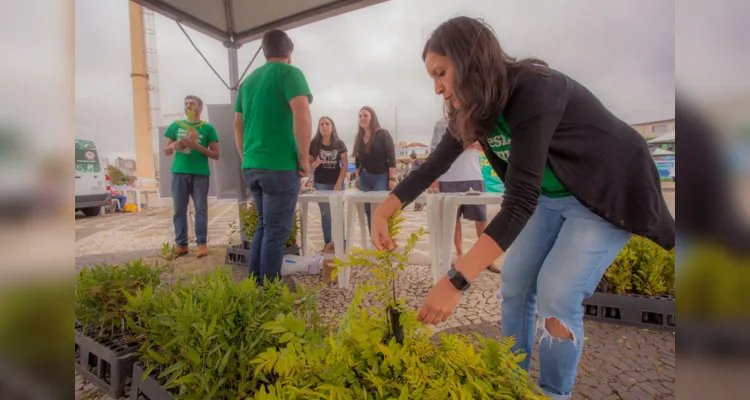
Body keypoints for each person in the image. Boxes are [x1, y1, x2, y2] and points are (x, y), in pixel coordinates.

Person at [370, 17, 674, 399]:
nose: (437, 89)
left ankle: (552, 393)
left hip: (605, 192)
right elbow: (433, 164)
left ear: (470, 62)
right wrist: (385, 211)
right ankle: (510, 380)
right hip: (551, 197)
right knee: (514, 282)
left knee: (557, 294)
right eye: (432, 77)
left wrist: (456, 280)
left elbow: (518, 203)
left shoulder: (535, 90)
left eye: (441, 73)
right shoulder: (471, 110)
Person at [234, 28, 312, 285]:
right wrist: (304, 158)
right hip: (279, 165)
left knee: (264, 227)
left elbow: (237, 123)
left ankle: (254, 285)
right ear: (289, 53)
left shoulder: (248, 82)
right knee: (276, 233)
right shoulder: (290, 73)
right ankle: (269, 294)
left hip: (252, 164)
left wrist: (244, 154)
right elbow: (302, 114)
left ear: (265, 52)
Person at [428, 117, 500, 273]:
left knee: (481, 218)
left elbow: (488, 146)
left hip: (473, 176)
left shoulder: (475, 118)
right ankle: (459, 253)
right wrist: (434, 179)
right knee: (454, 220)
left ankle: (486, 257)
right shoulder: (441, 124)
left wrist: (477, 144)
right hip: (447, 177)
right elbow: (433, 151)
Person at [163, 95, 219, 258]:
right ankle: (181, 244)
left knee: (201, 209)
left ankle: (201, 244)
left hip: (200, 173)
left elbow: (216, 154)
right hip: (179, 172)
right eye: (186, 104)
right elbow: (166, 151)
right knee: (179, 209)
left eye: (192, 104)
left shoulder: (207, 128)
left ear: (200, 108)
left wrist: (196, 146)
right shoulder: (175, 126)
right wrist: (172, 146)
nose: (189, 106)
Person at [352, 106, 397, 231]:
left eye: (365, 115)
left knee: (379, 209)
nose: (362, 118)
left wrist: (392, 178)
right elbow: (357, 159)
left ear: (372, 117)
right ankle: (374, 239)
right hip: (364, 178)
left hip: (380, 176)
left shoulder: (383, 134)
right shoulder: (358, 137)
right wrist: (358, 177)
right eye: (360, 116)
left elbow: (391, 158)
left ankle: (383, 241)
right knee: (367, 209)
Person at [309, 116, 348, 250]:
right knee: (326, 214)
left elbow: (345, 164)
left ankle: (341, 242)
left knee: (338, 213)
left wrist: (339, 183)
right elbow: (308, 164)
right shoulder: (314, 143)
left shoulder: (340, 144)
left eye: (327, 124)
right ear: (319, 128)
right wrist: (315, 163)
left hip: (337, 183)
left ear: (332, 127)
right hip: (321, 183)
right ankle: (328, 243)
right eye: (321, 124)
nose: (324, 126)